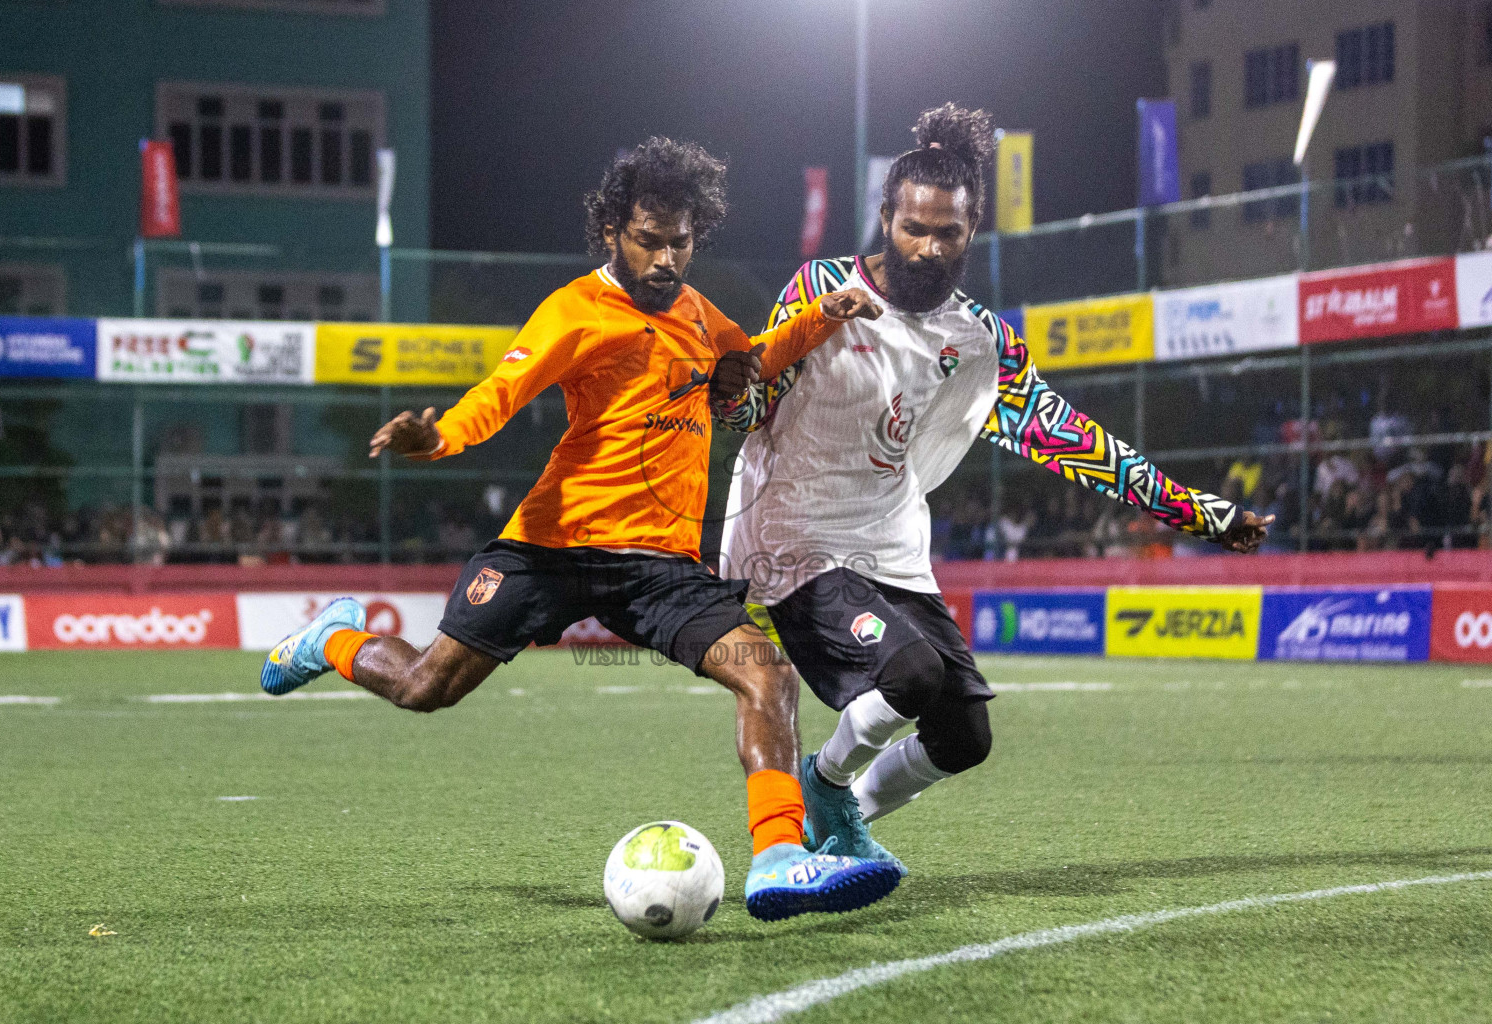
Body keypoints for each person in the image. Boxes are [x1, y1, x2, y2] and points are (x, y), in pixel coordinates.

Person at [259, 138, 900, 922]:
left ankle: (778, 858)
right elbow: (499, 393)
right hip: (551, 551)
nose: (666, 259)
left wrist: (824, 316)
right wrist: (440, 438)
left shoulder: (700, 316)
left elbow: (756, 363)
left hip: (660, 568)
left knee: (765, 672)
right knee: (426, 687)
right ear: (613, 233)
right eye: (649, 240)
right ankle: (333, 639)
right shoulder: (574, 312)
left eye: (680, 242)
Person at [714, 104, 1272, 873]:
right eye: (915, 228)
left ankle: (839, 825)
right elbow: (753, 406)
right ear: (885, 218)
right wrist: (730, 389)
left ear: (973, 229)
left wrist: (1203, 515)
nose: (930, 247)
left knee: (964, 739)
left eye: (949, 232)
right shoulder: (822, 289)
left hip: (885, 544)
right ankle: (824, 785)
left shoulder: (982, 342)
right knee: (910, 673)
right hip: (792, 538)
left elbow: (1076, 442)